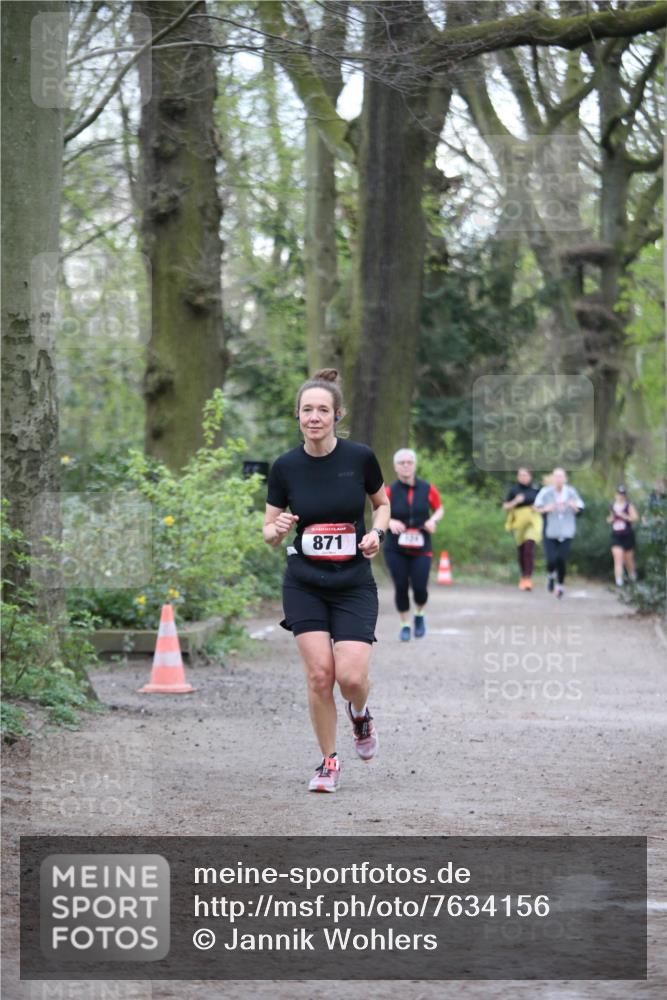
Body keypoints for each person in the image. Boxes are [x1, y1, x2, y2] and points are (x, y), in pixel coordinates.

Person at [263, 369, 390, 793]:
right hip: (305, 583)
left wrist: (376, 533)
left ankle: (361, 713)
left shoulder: (359, 458)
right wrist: (278, 527)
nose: (314, 417)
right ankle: (328, 762)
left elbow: (382, 504)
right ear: (297, 416)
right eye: (306, 410)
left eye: (322, 410)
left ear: (337, 415)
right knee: (320, 676)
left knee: (350, 678)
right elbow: (268, 531)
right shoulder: (285, 467)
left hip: (353, 581)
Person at [384, 448, 444, 641]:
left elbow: (439, 509)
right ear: (395, 467)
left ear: (415, 465)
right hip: (396, 548)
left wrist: (433, 520)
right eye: (402, 462)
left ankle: (419, 615)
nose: (406, 465)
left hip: (421, 546)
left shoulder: (427, 488)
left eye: (409, 462)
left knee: (420, 587)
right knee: (401, 586)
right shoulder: (389, 491)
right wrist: (390, 522)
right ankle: (404, 625)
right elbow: (379, 513)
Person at [533, 468, 585, 598]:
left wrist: (574, 506)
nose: (558, 479)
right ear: (552, 478)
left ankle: (560, 585)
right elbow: (536, 507)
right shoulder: (546, 492)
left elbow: (580, 508)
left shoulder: (571, 492)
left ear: (565, 478)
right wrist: (546, 508)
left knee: (561, 559)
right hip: (550, 531)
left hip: (567, 531)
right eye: (556, 477)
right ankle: (551, 576)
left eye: (561, 477)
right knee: (551, 560)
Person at [502, 467, 543, 591]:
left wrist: (538, 509)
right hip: (519, 522)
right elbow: (505, 507)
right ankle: (523, 577)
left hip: (533, 521)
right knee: (521, 550)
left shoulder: (537, 490)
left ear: (530, 476)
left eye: (525, 475)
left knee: (529, 546)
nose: (522, 477)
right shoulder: (514, 490)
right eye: (520, 475)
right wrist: (515, 501)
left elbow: (545, 505)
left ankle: (527, 578)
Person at [606, 485, 638, 586]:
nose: (621, 496)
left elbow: (635, 518)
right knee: (618, 557)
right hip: (616, 535)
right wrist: (610, 519)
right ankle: (619, 582)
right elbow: (609, 519)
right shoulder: (612, 506)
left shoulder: (629, 506)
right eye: (619, 494)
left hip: (627, 535)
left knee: (628, 559)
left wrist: (625, 517)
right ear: (616, 495)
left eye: (623, 494)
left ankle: (632, 577)